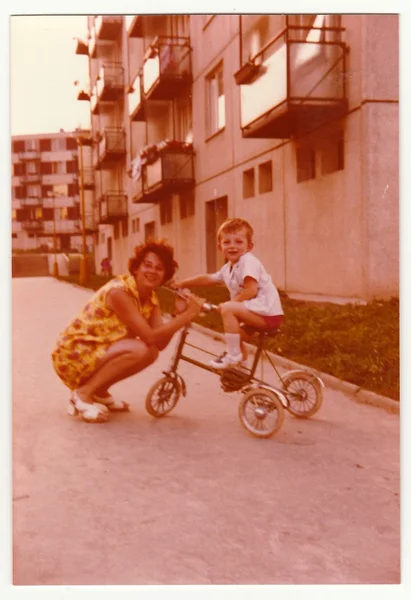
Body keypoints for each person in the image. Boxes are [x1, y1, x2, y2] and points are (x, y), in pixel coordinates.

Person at [51, 239, 204, 423]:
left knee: (150, 353)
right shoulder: (119, 292)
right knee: (140, 349)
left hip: (96, 351)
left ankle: (98, 391)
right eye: (147, 265)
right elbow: (149, 336)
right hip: (72, 353)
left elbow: (160, 344)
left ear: (165, 275)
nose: (152, 271)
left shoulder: (150, 298)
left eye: (159, 268)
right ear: (136, 268)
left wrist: (177, 313)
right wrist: (188, 316)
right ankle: (83, 394)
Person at [173, 218, 284, 369]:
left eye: (239, 242)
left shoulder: (248, 261)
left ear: (249, 246)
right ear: (220, 247)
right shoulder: (228, 268)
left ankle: (233, 356)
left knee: (228, 310)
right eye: (227, 242)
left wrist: (229, 304)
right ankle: (241, 367)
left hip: (267, 313)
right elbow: (209, 278)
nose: (232, 246)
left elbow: (250, 290)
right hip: (257, 312)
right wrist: (183, 283)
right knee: (234, 334)